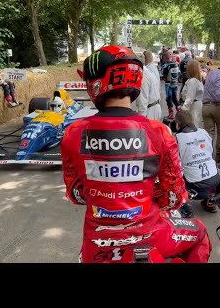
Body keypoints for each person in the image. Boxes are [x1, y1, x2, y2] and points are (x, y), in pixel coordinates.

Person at [61, 45, 211, 263]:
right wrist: (140, 197)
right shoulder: (159, 132)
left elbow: (76, 194)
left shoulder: (72, 133)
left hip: (97, 244)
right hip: (149, 236)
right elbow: (174, 197)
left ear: (94, 84)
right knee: (200, 233)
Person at [174, 110, 220, 217]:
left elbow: (174, 165)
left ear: (177, 124)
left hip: (195, 189)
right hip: (216, 183)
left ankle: (185, 209)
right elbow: (213, 156)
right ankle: (211, 202)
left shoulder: (177, 138)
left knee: (172, 174)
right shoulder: (204, 132)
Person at [134, 51, 162, 120]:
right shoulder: (149, 72)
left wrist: (141, 119)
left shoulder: (142, 76)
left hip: (150, 112)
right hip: (156, 108)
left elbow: (143, 100)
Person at [180, 60, 204, 128]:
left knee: (194, 125)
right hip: (195, 105)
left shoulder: (193, 82)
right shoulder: (196, 80)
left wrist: (183, 109)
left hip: (194, 107)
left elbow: (190, 98)